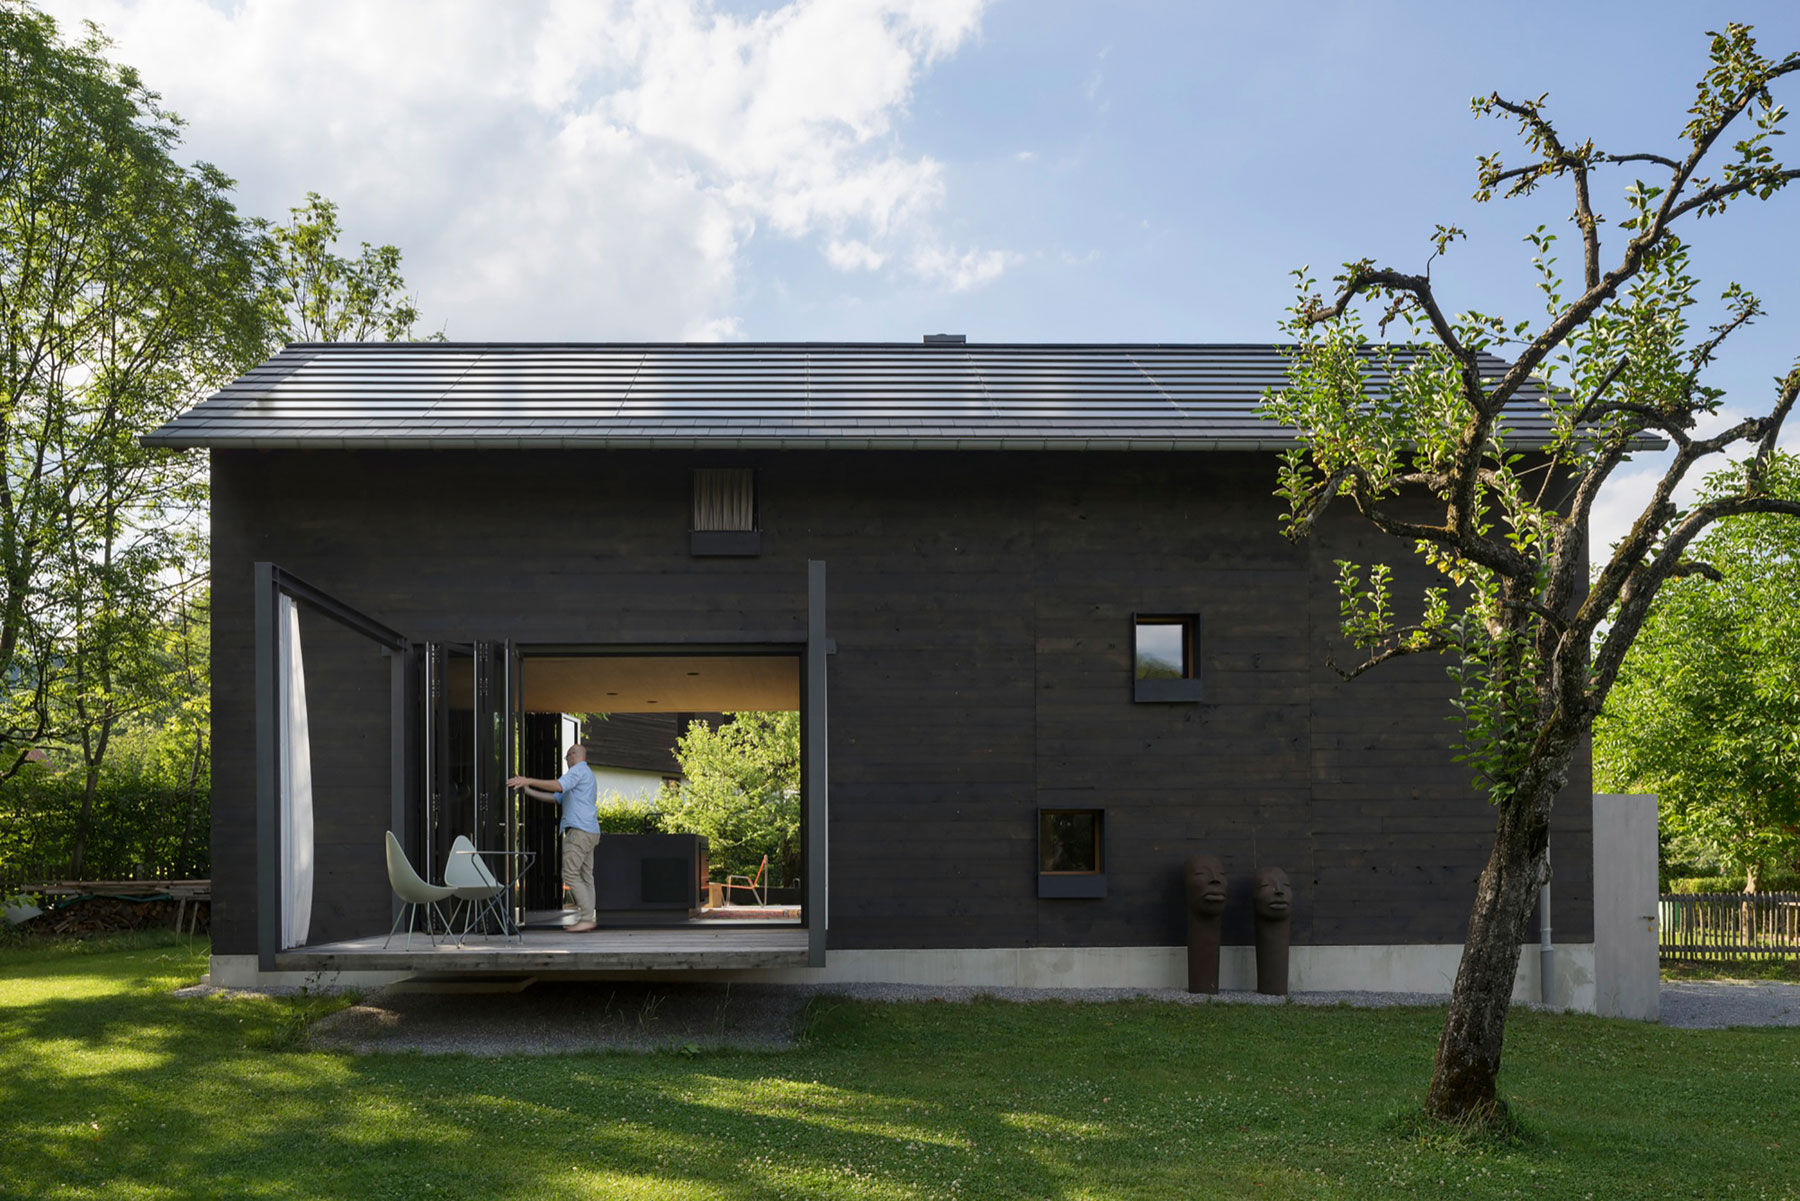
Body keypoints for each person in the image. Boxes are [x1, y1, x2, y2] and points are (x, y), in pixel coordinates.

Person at [507, 743, 600, 932]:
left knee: (570, 874)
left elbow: (558, 785)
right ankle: (589, 917)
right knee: (585, 876)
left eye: (566, 757)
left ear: (573, 755)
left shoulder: (578, 771)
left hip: (579, 832)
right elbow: (555, 797)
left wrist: (528, 780)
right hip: (589, 831)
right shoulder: (586, 774)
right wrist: (526, 790)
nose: (566, 761)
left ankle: (587, 918)